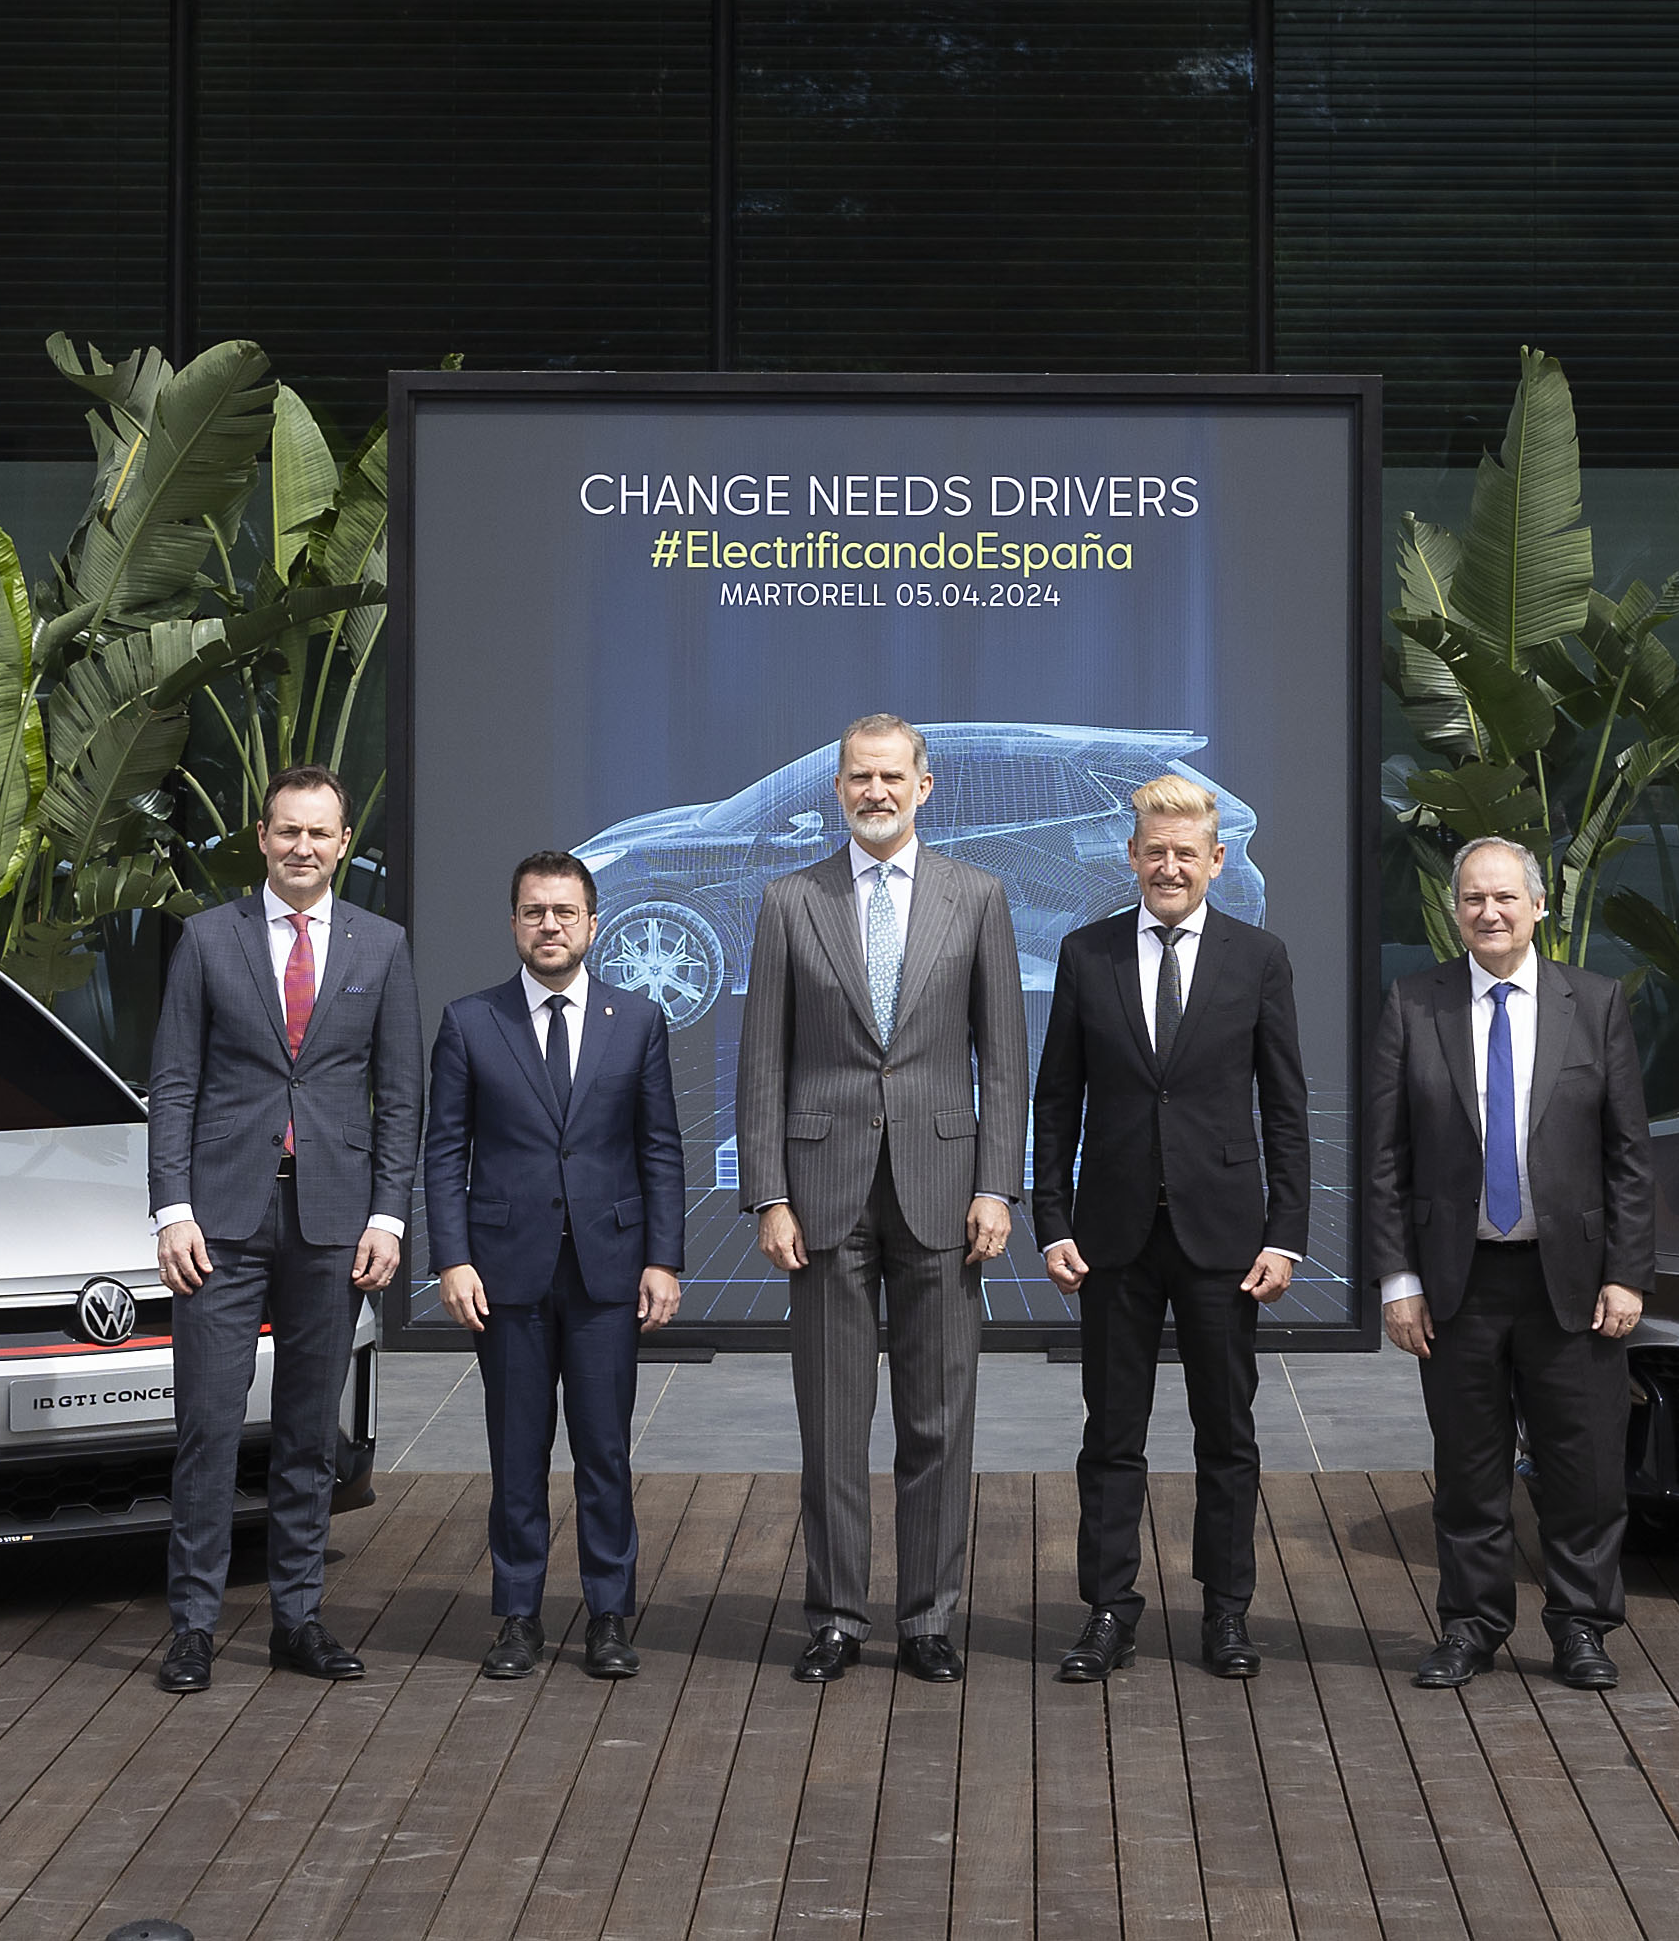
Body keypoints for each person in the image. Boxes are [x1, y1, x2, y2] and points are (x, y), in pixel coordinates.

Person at [738, 713, 1025, 1685]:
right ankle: (832, 1617)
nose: (874, 790)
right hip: (820, 1197)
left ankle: (929, 1619)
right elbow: (760, 1063)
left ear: (924, 785)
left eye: (890, 775)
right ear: (837, 788)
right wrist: (768, 1195)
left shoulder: (977, 896)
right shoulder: (789, 900)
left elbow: (1005, 1059)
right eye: (858, 776)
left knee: (938, 1420)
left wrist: (997, 1184)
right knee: (830, 1420)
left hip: (944, 1194)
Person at [144, 765, 422, 1693]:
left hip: (335, 1223)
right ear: (261, 838)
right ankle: (191, 1625)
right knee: (209, 1429)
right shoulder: (206, 940)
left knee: (308, 1431)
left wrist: (388, 1215)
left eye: (321, 833)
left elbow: (399, 1097)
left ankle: (296, 1618)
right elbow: (174, 1083)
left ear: (344, 844)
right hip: (219, 1222)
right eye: (287, 831)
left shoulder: (381, 947)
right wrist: (171, 1209)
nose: (303, 847)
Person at [1030, 773, 1309, 1685]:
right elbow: (1056, 1100)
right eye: (1155, 851)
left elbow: (1286, 1109)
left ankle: (1226, 1613)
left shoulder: (1258, 957)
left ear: (1217, 860)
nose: (1169, 866)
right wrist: (1051, 1219)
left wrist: (1286, 1233)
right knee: (1111, 1436)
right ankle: (1108, 1611)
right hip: (1110, 1237)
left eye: (1187, 853)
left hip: (1226, 1240)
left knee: (1227, 1436)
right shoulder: (1087, 954)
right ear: (1132, 856)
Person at [1359, 835, 1652, 1691]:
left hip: (1574, 1282)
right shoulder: (1415, 1004)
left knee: (1586, 1471)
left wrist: (1627, 1272)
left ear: (1538, 907)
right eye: (1473, 900)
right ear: (1455, 913)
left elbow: (1629, 1154)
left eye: (1505, 899)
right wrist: (1398, 1281)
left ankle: (1582, 1627)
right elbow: (1386, 1156)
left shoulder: (1594, 1003)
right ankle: (1471, 1626)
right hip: (1458, 1284)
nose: (1489, 913)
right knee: (1468, 1472)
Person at [427, 851, 686, 1683]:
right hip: (504, 1274)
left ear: (592, 924)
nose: (550, 926)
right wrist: (452, 1259)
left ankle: (610, 1615)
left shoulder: (636, 1020)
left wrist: (664, 1260)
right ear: (512, 924)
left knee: (605, 1452)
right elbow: (443, 1154)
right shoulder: (471, 1022)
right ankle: (517, 1617)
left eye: (565, 912)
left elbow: (661, 1151)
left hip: (610, 1271)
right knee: (518, 1453)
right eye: (535, 912)